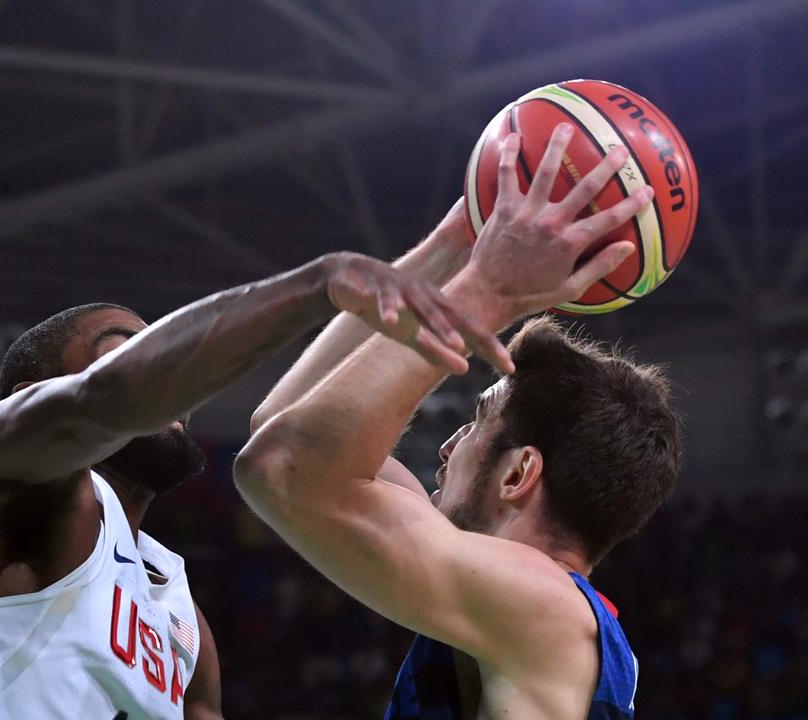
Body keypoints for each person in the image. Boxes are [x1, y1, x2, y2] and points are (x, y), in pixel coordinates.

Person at [0, 237, 512, 718]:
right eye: (121, 348)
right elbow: (115, 396)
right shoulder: (1, 482)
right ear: (33, 398)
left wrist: (461, 234)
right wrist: (321, 283)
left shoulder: (179, 617)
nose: (167, 379)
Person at [235, 124, 679, 718]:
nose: (447, 446)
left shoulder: (543, 605)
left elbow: (280, 467)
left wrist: (489, 290)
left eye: (477, 421)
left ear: (518, 473)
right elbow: (285, 426)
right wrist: (455, 242)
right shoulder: (516, 603)